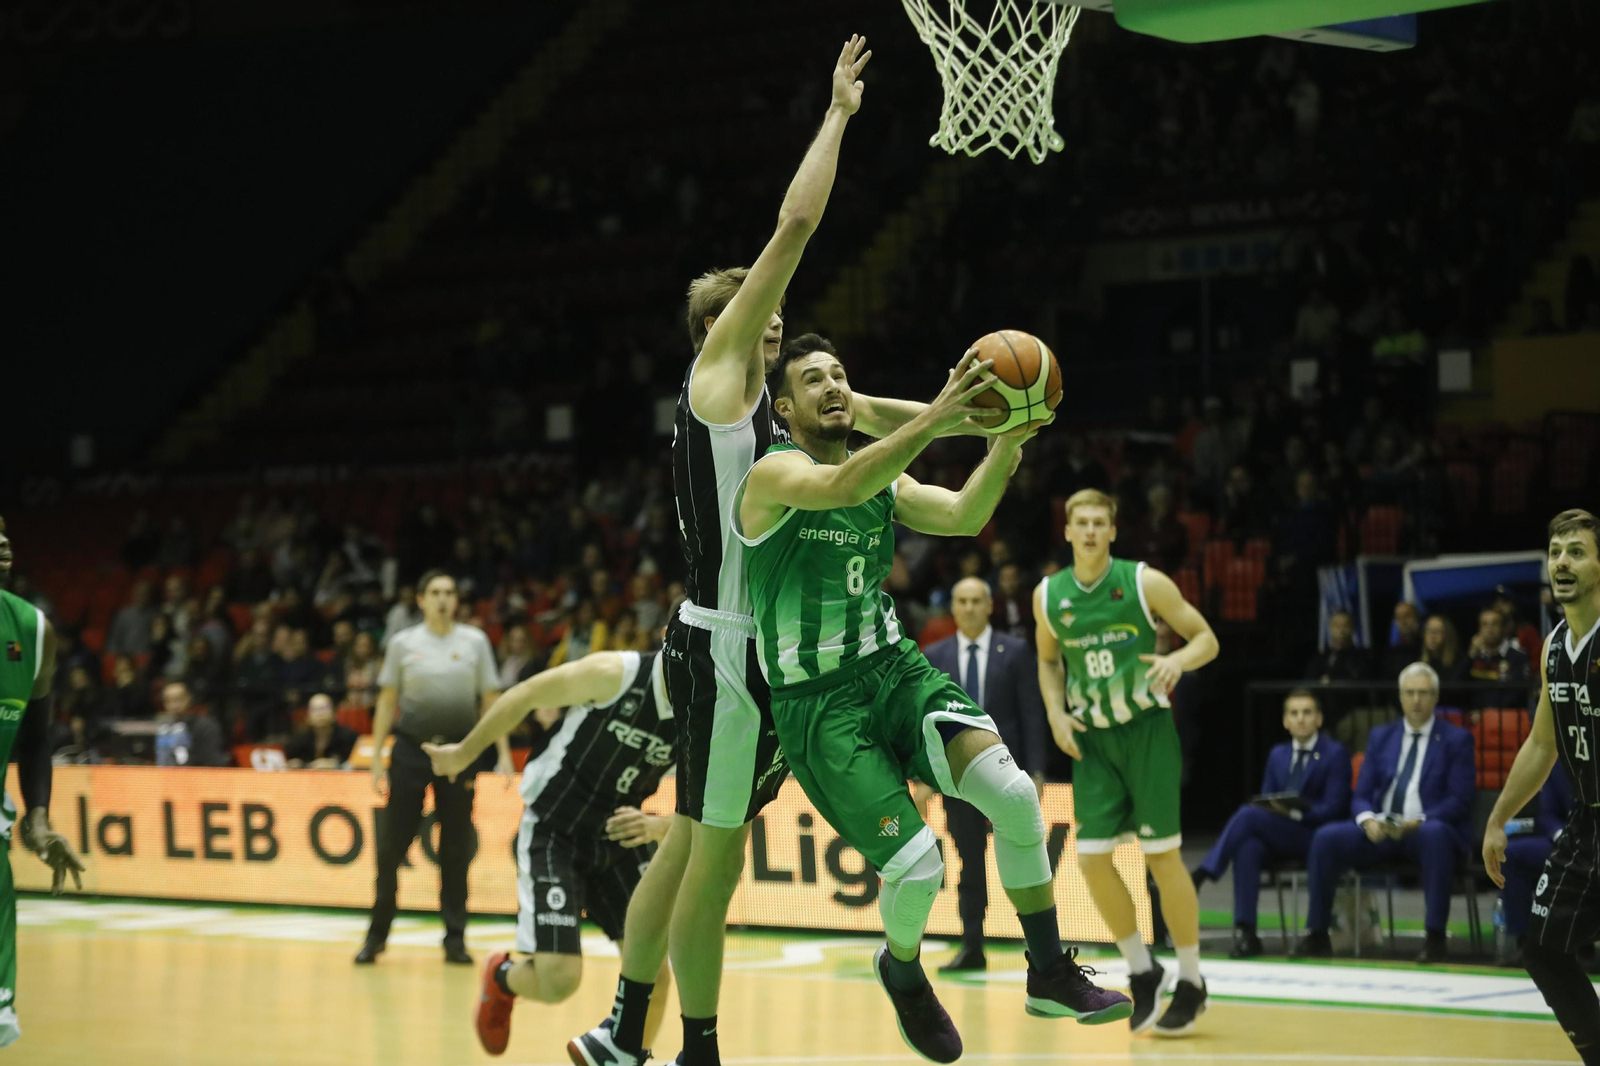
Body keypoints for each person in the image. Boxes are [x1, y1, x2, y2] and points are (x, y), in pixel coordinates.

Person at [568, 39, 996, 1066]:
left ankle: (631, 1025)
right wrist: (839, 115)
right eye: (741, 321)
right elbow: (797, 223)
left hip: (786, 658)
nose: (763, 333)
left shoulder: (772, 418)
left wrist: (975, 413)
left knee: (694, 847)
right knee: (705, 857)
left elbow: (867, 420)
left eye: (763, 327)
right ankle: (682, 1042)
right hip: (722, 648)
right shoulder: (718, 392)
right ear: (713, 334)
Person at [734, 338, 1125, 1064]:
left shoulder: (881, 476)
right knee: (918, 868)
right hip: (818, 708)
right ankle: (904, 971)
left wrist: (1006, 447)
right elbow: (845, 485)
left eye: (841, 374)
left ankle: (1048, 970)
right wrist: (946, 410)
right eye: (813, 379)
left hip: (894, 671)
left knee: (1012, 795)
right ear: (784, 408)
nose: (833, 386)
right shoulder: (773, 473)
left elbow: (960, 515)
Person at [421, 650, 676, 1058]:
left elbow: (716, 801)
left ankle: (627, 1056)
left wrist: (660, 825)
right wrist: (464, 754)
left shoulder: (708, 704)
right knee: (559, 980)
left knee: (655, 973)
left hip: (621, 833)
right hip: (556, 827)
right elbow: (524, 694)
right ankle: (503, 977)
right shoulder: (616, 673)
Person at [1036, 489, 1221, 1036]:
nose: (1090, 531)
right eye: (1080, 523)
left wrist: (1177, 660)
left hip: (1146, 733)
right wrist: (1055, 714)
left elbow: (1206, 638)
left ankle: (1192, 979)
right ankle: (1143, 969)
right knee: (1091, 859)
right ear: (1067, 531)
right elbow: (1048, 664)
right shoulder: (1048, 595)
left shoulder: (1144, 581)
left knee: (1163, 858)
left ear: (1113, 531)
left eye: (1099, 523)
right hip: (1092, 742)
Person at [1484, 509, 1600, 1065]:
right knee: (1543, 950)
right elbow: (1540, 746)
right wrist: (1497, 818)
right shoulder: (1554, 646)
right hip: (1588, 820)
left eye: (1576, 551)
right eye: (1555, 552)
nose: (1562, 562)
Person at [357, 570, 512, 967]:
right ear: (421, 600)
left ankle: (455, 939)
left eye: (449, 592)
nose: (443, 599)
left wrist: (504, 752)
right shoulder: (402, 643)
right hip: (410, 751)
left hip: (461, 752)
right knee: (392, 846)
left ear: (456, 600)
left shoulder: (475, 642)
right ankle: (376, 937)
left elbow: (491, 700)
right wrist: (377, 755)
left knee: (457, 847)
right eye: (435, 592)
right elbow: (387, 700)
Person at [1296, 662, 1476, 963]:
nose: (1416, 700)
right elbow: (1361, 794)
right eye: (1410, 693)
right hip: (1382, 829)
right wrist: (1367, 819)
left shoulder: (1456, 739)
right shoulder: (1382, 736)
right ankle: (1316, 933)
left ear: (1435, 697)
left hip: (1425, 830)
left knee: (1435, 834)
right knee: (1327, 837)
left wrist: (1417, 822)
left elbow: (1460, 800)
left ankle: (1434, 938)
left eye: (1423, 693)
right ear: (1400, 697)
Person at [922, 577, 1048, 972]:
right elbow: (924, 722)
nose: (970, 607)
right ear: (953, 608)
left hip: (1008, 777)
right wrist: (925, 776)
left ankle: (1041, 951)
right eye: (962, 601)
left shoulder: (1015, 651)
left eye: (977, 600)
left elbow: (1032, 712)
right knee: (969, 863)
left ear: (990, 605)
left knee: (1023, 859)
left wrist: (1039, 769)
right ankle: (972, 945)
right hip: (958, 780)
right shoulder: (934, 654)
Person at [0, 514, 88, 1048]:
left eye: (6, 532)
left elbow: (35, 737)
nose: (4, 542)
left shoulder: (32, 631)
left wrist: (37, 813)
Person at [1191, 690, 1351, 957]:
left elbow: (1335, 808)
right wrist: (1279, 811)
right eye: (1294, 713)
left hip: (1316, 836)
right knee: (1248, 846)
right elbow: (1267, 801)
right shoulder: (1278, 754)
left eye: (1307, 713)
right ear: (1286, 721)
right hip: (1280, 833)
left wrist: (1297, 813)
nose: (1301, 719)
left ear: (1319, 719)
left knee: (1248, 815)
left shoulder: (1335, 754)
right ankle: (1247, 933)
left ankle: (1206, 872)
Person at [1496, 762, 1570, 967]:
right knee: (1512, 854)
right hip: (1567, 841)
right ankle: (1525, 944)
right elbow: (1547, 814)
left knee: (1580, 866)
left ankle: (1583, 949)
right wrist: (1561, 836)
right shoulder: (1559, 761)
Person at [1466, 605, 1532, 707]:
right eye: (1485, 625)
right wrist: (1470, 655)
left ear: (1504, 628)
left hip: (1507, 718)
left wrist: (1488, 714)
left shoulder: (1519, 658)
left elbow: (1518, 694)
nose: (1490, 629)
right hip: (1475, 718)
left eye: (1494, 624)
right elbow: (1457, 687)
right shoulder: (1474, 657)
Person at [284, 693, 357, 768]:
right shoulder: (300, 738)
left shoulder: (348, 736)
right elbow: (291, 758)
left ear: (334, 712)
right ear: (308, 716)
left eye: (324, 708)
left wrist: (335, 764)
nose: (320, 713)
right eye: (315, 710)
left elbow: (354, 763)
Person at [1302, 610, 1371, 683]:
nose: (1341, 630)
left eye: (1345, 626)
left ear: (1352, 628)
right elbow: (1309, 680)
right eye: (1337, 626)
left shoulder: (1362, 658)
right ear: (1330, 628)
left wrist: (1332, 681)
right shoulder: (1321, 658)